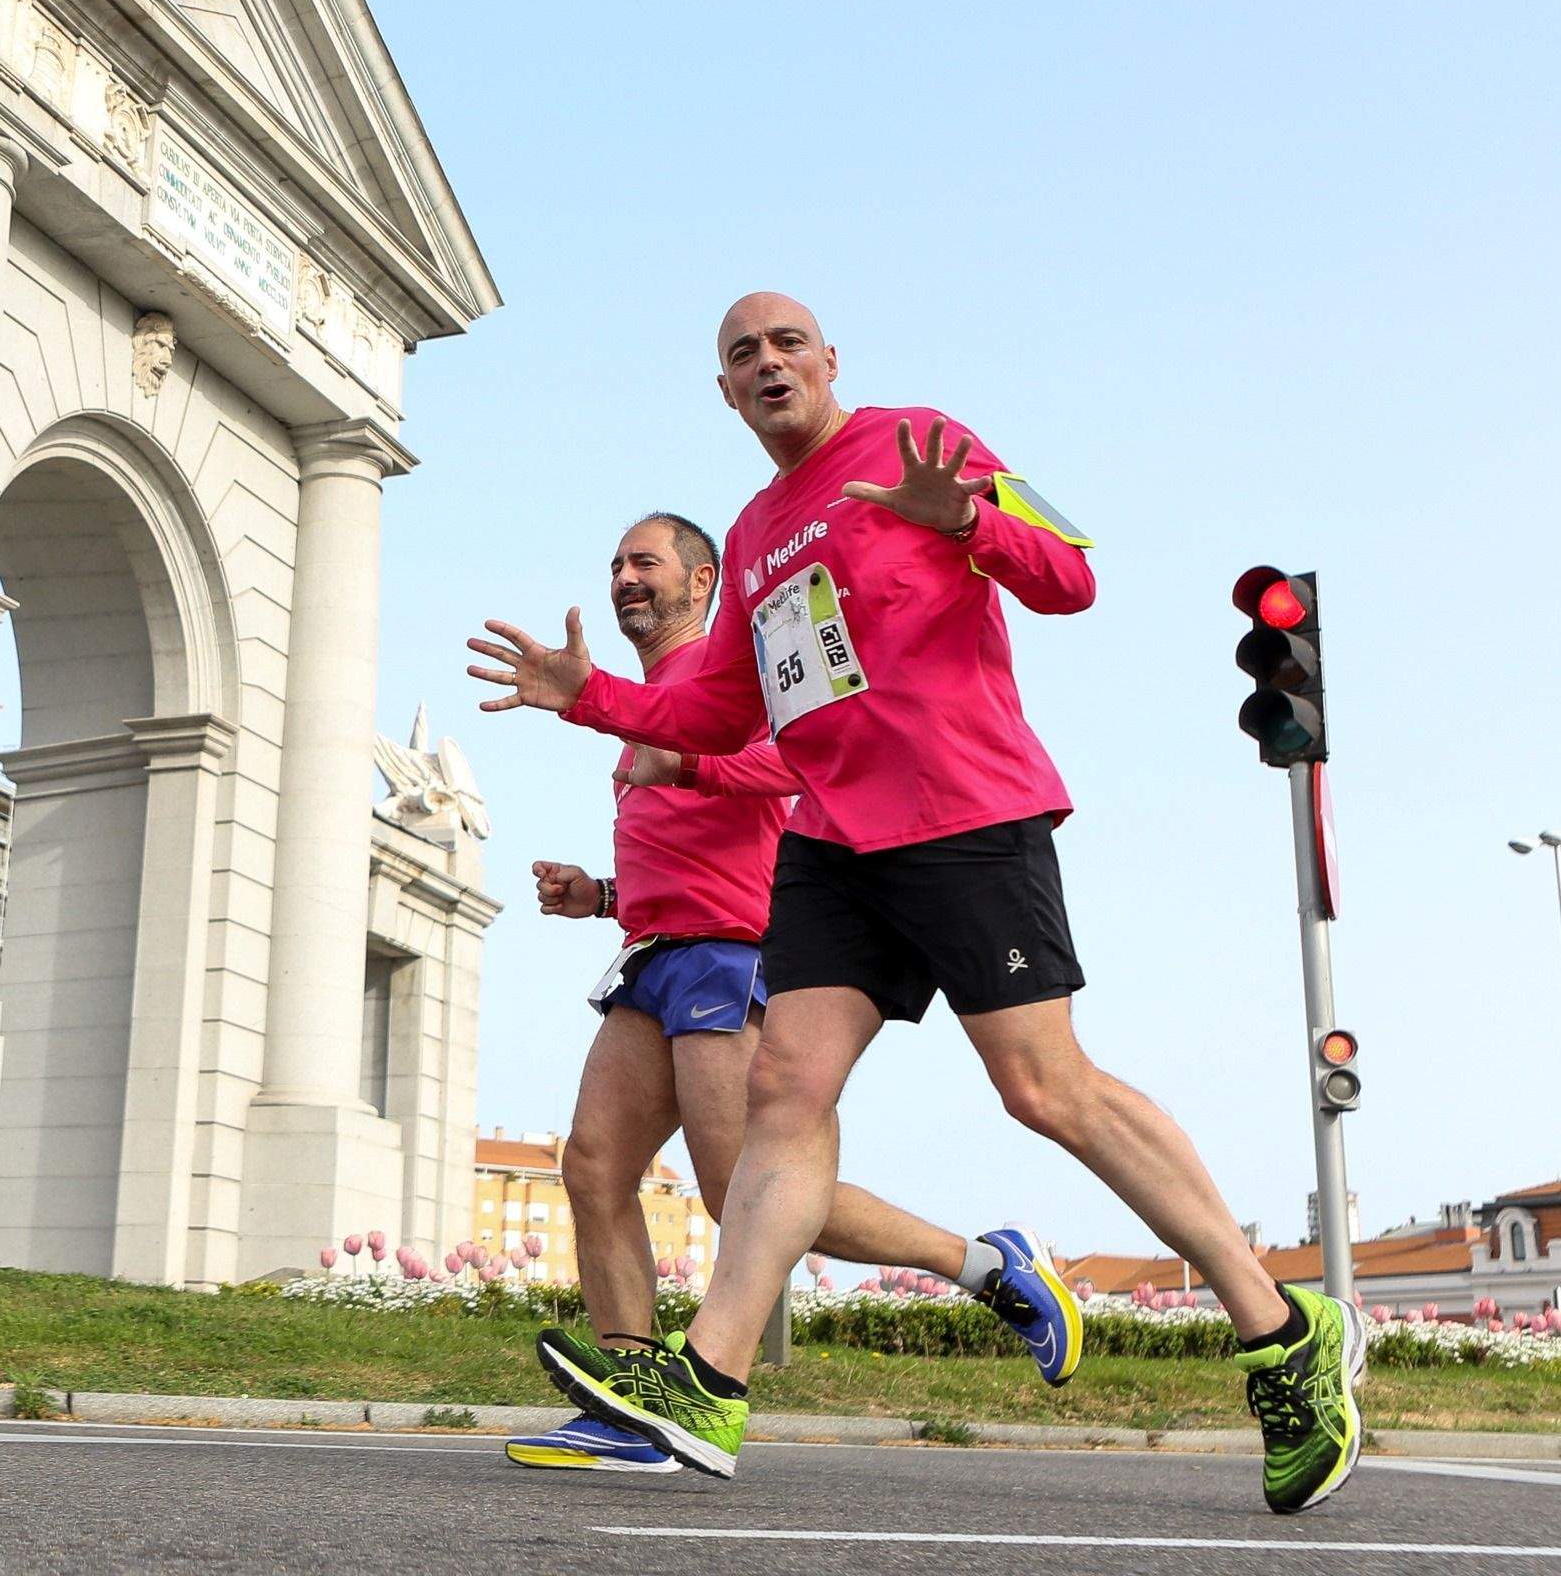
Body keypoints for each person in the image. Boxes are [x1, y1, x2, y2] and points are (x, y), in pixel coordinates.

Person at [468, 293, 1363, 1514]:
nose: (768, 362)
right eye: (743, 355)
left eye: (787, 344)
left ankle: (1280, 1330)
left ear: (831, 361)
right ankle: (711, 1382)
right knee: (786, 1088)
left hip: (964, 810)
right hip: (833, 840)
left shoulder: (920, 439)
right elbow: (720, 713)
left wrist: (978, 519)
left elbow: (1073, 577)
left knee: (1045, 1086)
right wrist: (590, 698)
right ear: (726, 394)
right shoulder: (758, 526)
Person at [505, 512, 1078, 1474]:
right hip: (655, 955)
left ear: (702, 584)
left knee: (743, 1197)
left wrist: (685, 760)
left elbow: (806, 758)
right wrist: (599, 897)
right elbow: (687, 853)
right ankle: (630, 1401)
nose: (623, 579)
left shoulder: (741, 674)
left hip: (737, 959)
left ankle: (989, 1266)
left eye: (645, 562)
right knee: (595, 1168)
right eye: (613, 565)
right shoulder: (645, 700)